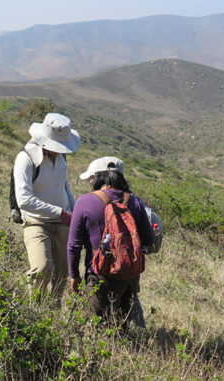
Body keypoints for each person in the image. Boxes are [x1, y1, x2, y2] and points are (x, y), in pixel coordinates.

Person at [67, 156, 154, 329]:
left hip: (99, 274)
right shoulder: (135, 202)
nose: (91, 181)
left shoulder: (85, 201)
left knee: (100, 329)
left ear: (99, 177)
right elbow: (149, 239)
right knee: (121, 326)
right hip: (130, 276)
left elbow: (74, 245)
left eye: (92, 177)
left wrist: (74, 275)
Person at [13, 113, 80, 302]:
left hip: (63, 224)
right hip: (36, 222)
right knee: (41, 269)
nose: (59, 150)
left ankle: (53, 310)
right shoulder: (26, 159)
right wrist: (60, 212)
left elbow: (64, 186)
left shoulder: (61, 159)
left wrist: (73, 212)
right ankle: (35, 309)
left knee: (62, 274)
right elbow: (24, 200)